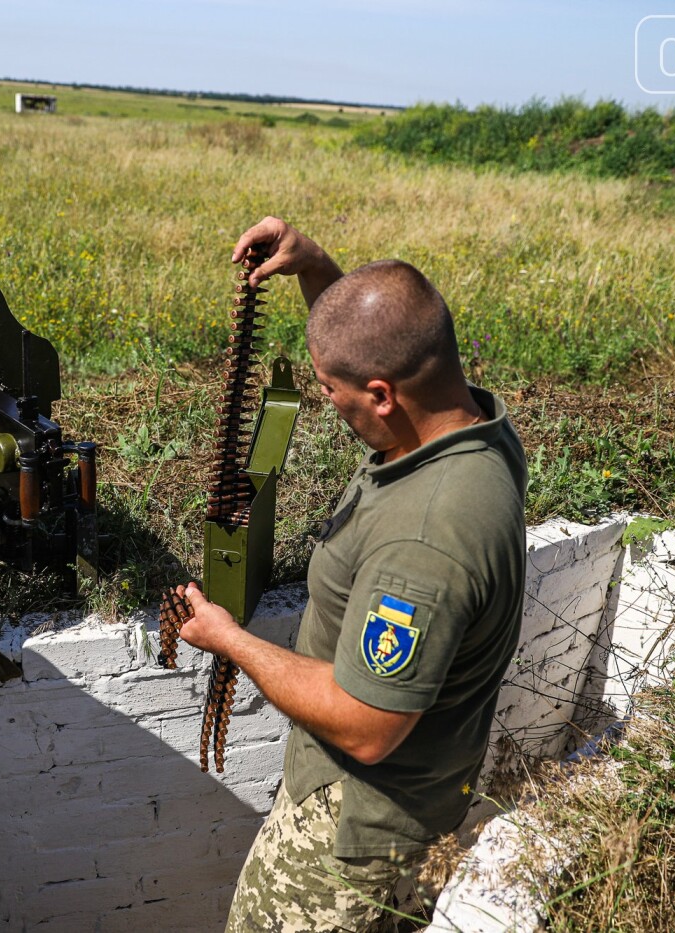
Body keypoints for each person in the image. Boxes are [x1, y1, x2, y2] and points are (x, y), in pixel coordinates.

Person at [175, 217, 528, 932]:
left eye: (331, 390)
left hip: (349, 835)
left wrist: (228, 638)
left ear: (382, 395)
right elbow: (381, 346)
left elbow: (367, 725)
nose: (327, 402)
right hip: (413, 804)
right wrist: (316, 270)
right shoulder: (470, 426)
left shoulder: (424, 544)